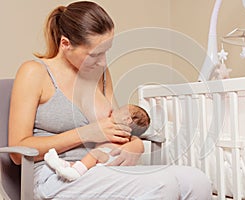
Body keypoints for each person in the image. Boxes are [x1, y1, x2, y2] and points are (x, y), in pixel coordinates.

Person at [8, 1, 212, 199]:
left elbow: (119, 126)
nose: (103, 61)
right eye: (95, 54)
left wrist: (135, 144)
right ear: (65, 44)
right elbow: (18, 152)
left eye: (106, 51)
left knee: (197, 181)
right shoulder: (35, 73)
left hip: (102, 167)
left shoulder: (101, 75)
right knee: (163, 185)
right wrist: (86, 133)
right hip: (57, 176)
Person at [44, 104, 151, 181]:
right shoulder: (126, 136)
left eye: (120, 109)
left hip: (109, 158)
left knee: (94, 154)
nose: (114, 109)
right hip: (109, 163)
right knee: (87, 161)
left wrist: (138, 145)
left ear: (127, 119)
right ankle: (65, 165)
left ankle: (75, 173)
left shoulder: (118, 131)